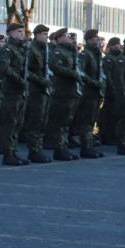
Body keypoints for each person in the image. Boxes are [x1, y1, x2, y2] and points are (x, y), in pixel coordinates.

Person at [43, 28, 81, 161]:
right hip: (62, 91)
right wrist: (73, 74)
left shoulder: (70, 52)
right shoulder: (58, 52)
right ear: (58, 39)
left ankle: (64, 147)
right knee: (60, 123)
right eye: (65, 36)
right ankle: (59, 149)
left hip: (70, 91)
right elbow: (56, 67)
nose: (69, 38)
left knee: (66, 122)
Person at [0, 23, 30, 165]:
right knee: (9, 124)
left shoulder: (20, 49)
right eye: (19, 31)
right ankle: (8, 153)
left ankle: (13, 151)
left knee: (17, 123)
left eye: (23, 31)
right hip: (10, 90)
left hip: (19, 91)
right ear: (11, 33)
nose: (22, 34)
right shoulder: (8, 49)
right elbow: (5, 68)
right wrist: (19, 80)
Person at [70, 29, 106, 159]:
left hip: (95, 93)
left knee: (91, 121)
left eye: (98, 37)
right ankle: (86, 147)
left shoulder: (96, 54)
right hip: (88, 93)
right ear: (89, 39)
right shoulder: (86, 54)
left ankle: (89, 145)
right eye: (95, 37)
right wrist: (93, 82)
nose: (98, 39)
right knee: (86, 121)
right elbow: (80, 71)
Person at [22, 25, 53, 164]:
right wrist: (40, 80)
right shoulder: (32, 50)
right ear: (37, 35)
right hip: (35, 91)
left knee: (42, 121)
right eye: (44, 34)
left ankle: (38, 148)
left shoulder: (43, 49)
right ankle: (34, 150)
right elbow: (25, 70)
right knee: (35, 121)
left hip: (43, 91)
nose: (47, 37)